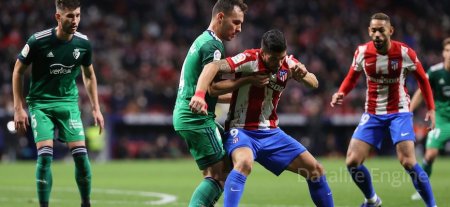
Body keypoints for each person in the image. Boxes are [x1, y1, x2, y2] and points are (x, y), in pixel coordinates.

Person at [190, 29, 334, 207]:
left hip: (271, 132)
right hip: (241, 130)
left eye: (281, 57)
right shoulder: (249, 59)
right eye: (274, 59)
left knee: (316, 170)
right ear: (263, 52)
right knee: (244, 163)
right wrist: (200, 93)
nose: (278, 63)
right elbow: (213, 66)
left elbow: (314, 82)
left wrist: (303, 74)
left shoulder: (287, 63)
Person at [330, 13, 437, 207]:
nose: (377, 34)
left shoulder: (405, 52)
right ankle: (372, 200)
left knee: (408, 162)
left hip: (399, 111)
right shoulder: (362, 52)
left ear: (390, 31)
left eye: (381, 30)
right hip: (372, 113)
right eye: (373, 30)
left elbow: (423, 80)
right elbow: (352, 76)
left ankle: (432, 205)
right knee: (352, 161)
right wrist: (341, 92)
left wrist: (431, 108)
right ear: (369, 31)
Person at [173, 1, 267, 206]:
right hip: (196, 116)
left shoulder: (202, 39)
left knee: (216, 173)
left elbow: (212, 93)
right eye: (236, 22)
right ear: (220, 17)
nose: (239, 28)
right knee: (220, 176)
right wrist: (247, 80)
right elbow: (212, 89)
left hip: (188, 114)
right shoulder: (213, 45)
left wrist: (247, 96)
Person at [12, 0, 104, 206]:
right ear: (58, 17)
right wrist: (18, 107)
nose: (75, 20)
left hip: (68, 105)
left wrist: (96, 108)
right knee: (45, 157)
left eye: (78, 15)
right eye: (70, 16)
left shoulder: (83, 43)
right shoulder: (37, 41)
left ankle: (85, 203)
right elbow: (18, 70)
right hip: (40, 104)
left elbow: (89, 75)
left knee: (81, 156)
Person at [409, 37, 450, 201]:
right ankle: (422, 189)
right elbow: (420, 92)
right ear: (443, 53)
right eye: (447, 50)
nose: (449, 54)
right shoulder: (435, 71)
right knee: (430, 154)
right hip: (441, 118)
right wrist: (409, 111)